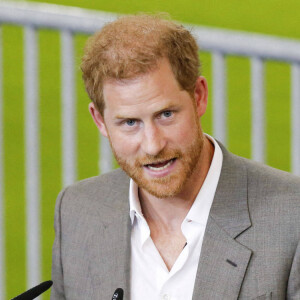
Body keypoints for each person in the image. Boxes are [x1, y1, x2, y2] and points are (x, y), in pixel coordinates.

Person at [51, 14, 300, 300]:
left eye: (166, 115)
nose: (153, 145)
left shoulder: (292, 217)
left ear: (198, 96)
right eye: (130, 123)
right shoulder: (76, 211)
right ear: (100, 121)